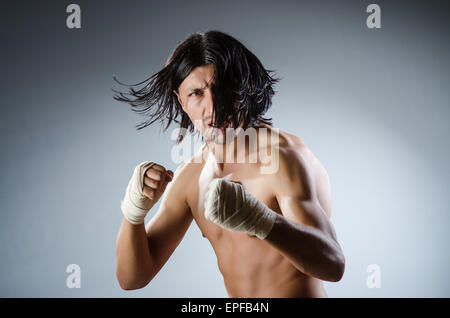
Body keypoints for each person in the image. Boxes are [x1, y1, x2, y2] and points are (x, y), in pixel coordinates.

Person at [113, 30, 345, 297]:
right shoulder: (191, 177)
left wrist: (261, 221)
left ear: (244, 86)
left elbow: (333, 265)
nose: (213, 106)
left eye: (221, 86)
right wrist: (133, 212)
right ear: (182, 102)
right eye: (196, 93)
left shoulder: (282, 159)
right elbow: (132, 278)